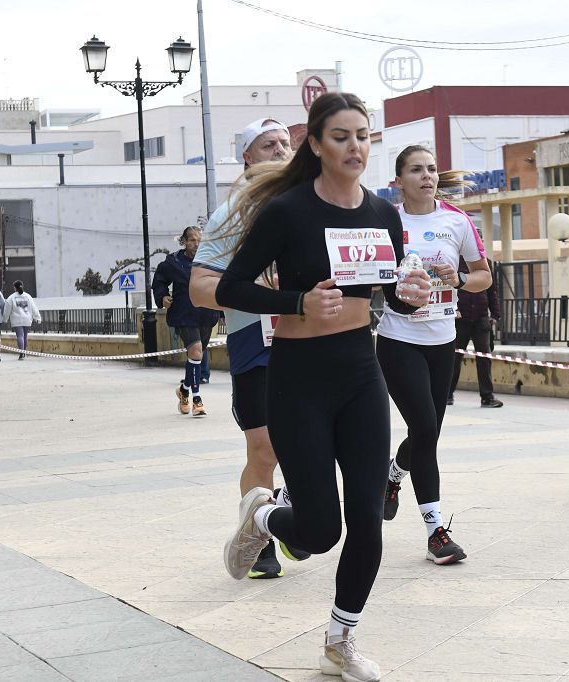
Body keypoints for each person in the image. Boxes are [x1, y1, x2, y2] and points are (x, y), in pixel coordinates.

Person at [216, 92, 431, 682]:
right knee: (318, 530)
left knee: (366, 516)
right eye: (341, 136)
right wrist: (296, 301)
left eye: (363, 135)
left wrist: (410, 296)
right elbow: (231, 288)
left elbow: (392, 300)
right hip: (298, 377)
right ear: (315, 144)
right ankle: (262, 516)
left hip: (361, 373)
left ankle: (341, 640)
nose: (355, 146)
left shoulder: (384, 215)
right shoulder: (287, 212)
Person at [192, 116, 300, 579]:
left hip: (310, 341)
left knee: (314, 442)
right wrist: (251, 286)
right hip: (255, 341)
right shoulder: (232, 213)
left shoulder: (310, 204)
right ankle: (261, 540)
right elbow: (200, 289)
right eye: (268, 144)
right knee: (265, 451)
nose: (280, 150)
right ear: (248, 158)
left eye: (285, 143)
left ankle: (296, 517)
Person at [375, 145, 492, 566]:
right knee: (424, 428)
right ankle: (436, 532)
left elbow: (482, 277)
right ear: (399, 180)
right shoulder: (386, 219)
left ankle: (393, 475)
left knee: (428, 435)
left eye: (432, 169)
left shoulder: (455, 221)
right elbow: (368, 278)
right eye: (416, 170)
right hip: (398, 338)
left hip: (443, 340)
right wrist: (400, 281)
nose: (427, 177)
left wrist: (457, 278)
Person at [153, 226, 220, 416]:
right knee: (196, 350)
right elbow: (159, 281)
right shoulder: (173, 262)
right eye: (192, 240)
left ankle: (184, 390)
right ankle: (196, 399)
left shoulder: (209, 261)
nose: (196, 243)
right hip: (184, 314)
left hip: (206, 314)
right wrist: (163, 296)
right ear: (184, 241)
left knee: (196, 357)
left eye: (199, 240)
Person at [448, 256, 504, 407]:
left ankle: (487, 397)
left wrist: (495, 315)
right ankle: (447, 395)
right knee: (455, 358)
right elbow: (448, 287)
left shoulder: (486, 262)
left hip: (481, 317)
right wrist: (454, 309)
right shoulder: (454, 260)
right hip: (460, 318)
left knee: (484, 357)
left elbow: (492, 290)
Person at [3, 280, 41, 360]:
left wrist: (5, 319)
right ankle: (24, 352)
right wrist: (37, 317)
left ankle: (22, 353)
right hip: (27, 319)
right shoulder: (28, 296)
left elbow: (7, 309)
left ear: (15, 288)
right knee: (25, 336)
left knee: (20, 336)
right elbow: (34, 308)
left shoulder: (11, 297)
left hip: (17, 320)